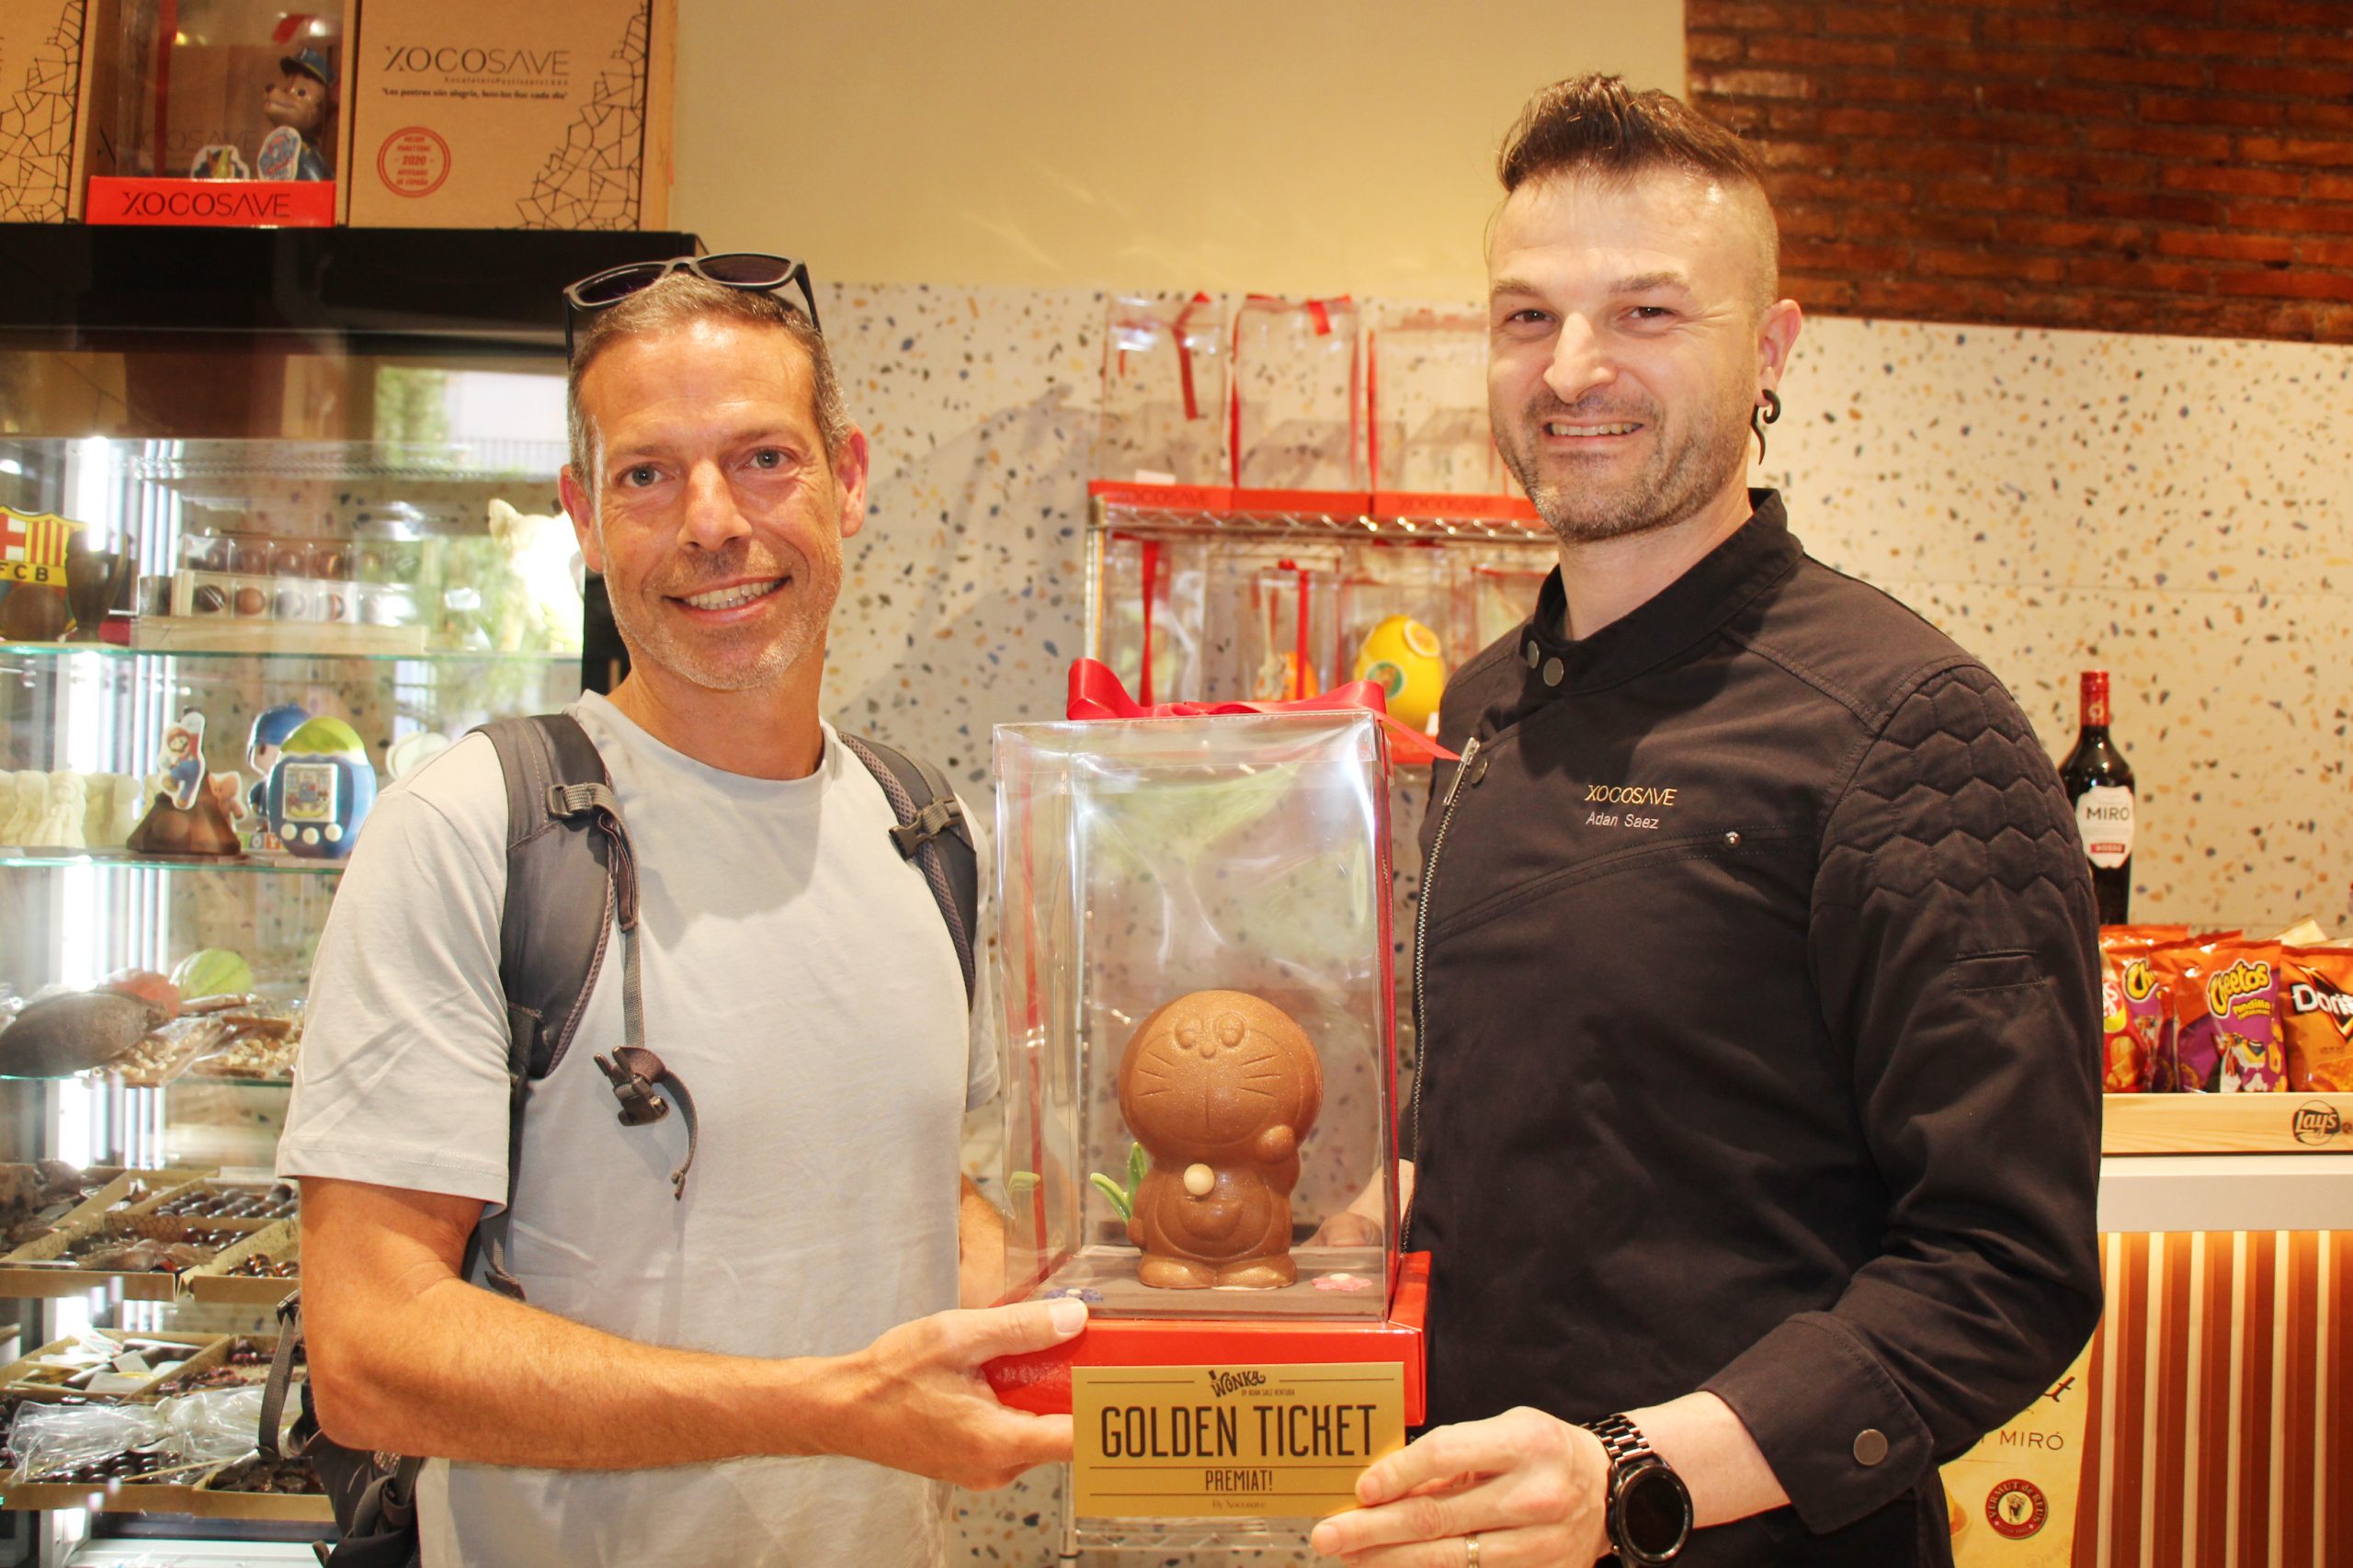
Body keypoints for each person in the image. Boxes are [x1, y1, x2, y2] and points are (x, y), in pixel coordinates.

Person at [1313, 76, 2101, 1568]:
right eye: (1528, 316)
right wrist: (1328, 1244)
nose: (1573, 368)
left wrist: (1624, 1474)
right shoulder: (1478, 709)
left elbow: (2005, 1268)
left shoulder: (1915, 731)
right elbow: (1526, 1112)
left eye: (1648, 311)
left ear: (1771, 351)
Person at [278, 261, 1082, 1568]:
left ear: (848, 479)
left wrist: (1198, 1300)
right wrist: (822, 1410)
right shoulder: (479, 830)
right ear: (585, 518)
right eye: (648, 474)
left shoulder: (929, 837)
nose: (713, 523)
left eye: (764, 459)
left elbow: (917, 1202)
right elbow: (371, 1353)